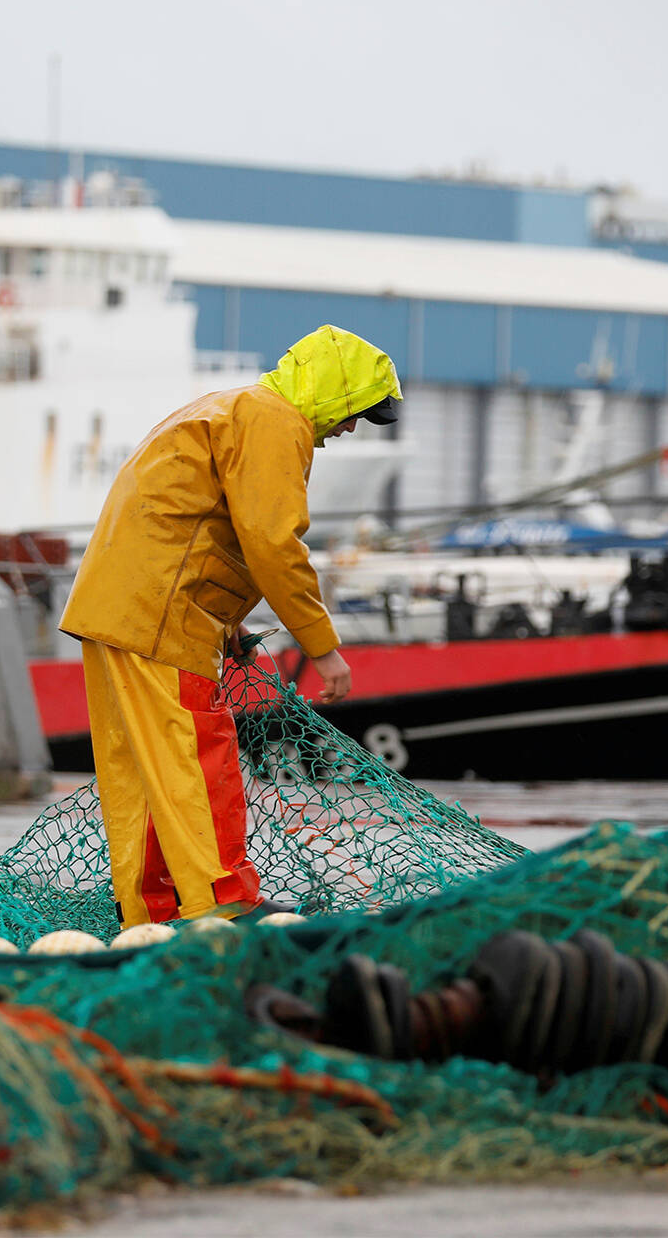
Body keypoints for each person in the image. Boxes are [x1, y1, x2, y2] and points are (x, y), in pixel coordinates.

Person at [59, 324, 402, 929]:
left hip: (120, 610)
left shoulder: (230, 407)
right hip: (161, 617)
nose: (350, 429)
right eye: (356, 413)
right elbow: (271, 544)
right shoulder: (274, 420)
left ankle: (150, 910)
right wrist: (323, 649)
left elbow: (198, 527)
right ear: (331, 391)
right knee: (197, 753)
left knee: (141, 771)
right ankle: (222, 901)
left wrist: (229, 628)